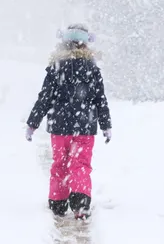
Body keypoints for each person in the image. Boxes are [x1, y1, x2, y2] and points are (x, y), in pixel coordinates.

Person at [25, 24, 112, 220]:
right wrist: (106, 125)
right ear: (86, 44)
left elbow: (45, 98)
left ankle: (58, 203)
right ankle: (80, 204)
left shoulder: (56, 67)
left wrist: (33, 123)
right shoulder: (92, 69)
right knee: (80, 164)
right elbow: (100, 99)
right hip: (84, 126)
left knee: (60, 164)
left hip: (59, 126)